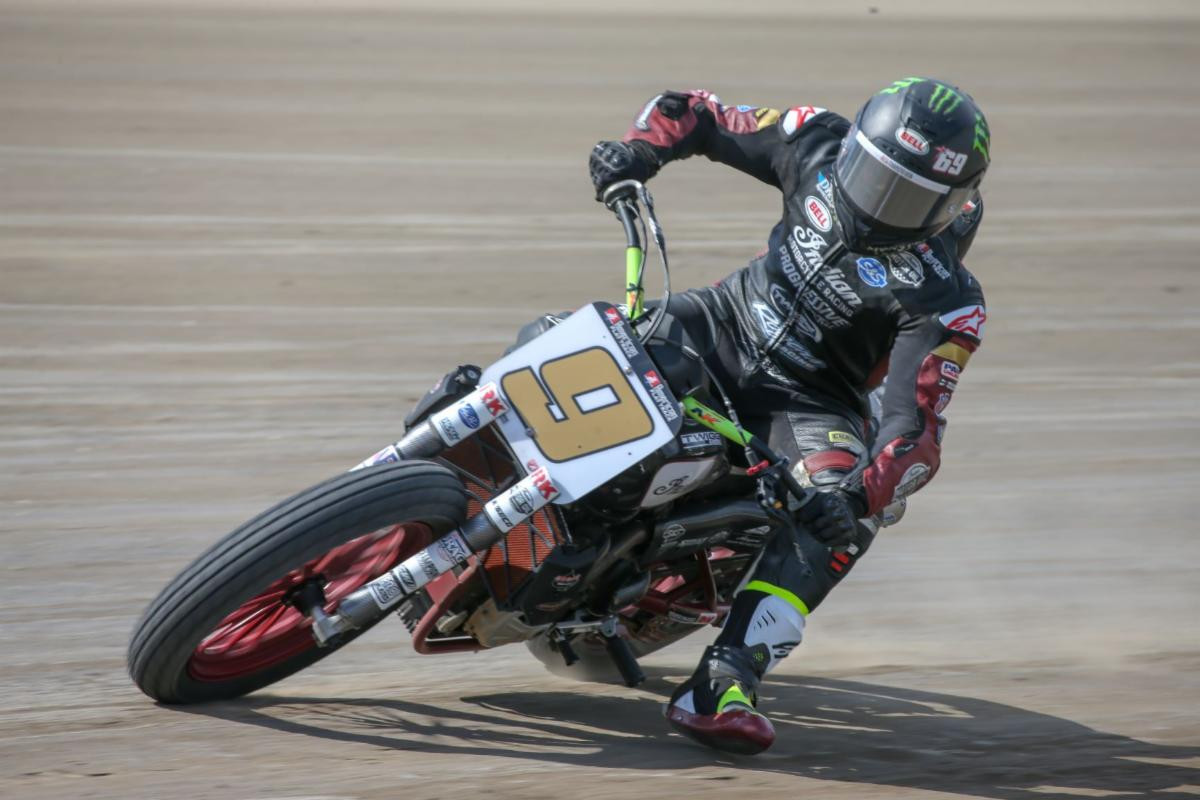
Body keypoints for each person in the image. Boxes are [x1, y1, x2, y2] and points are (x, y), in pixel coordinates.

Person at [588, 77, 990, 755]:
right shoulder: (813, 139)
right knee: (576, 332)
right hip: (721, 323)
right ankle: (439, 442)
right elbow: (696, 111)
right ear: (854, 147)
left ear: (954, 208)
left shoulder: (947, 301)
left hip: (811, 404)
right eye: (874, 178)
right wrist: (635, 155)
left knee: (850, 522)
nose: (880, 207)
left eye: (912, 198)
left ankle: (724, 677)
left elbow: (913, 434)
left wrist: (858, 493)